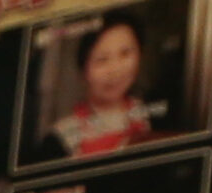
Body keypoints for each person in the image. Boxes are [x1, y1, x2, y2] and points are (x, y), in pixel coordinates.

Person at [44, 15, 157, 159]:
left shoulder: (151, 116)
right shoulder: (60, 137)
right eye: (102, 60)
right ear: (83, 70)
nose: (115, 70)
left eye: (125, 53)